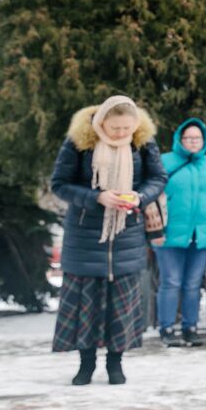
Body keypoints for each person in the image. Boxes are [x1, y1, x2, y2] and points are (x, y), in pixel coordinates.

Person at [50, 96, 167, 385]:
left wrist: (139, 197)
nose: (121, 133)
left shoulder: (142, 142)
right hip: (85, 236)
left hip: (127, 234)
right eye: (115, 128)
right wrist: (97, 197)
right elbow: (60, 184)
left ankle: (116, 363)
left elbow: (158, 178)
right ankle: (86, 364)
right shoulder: (79, 142)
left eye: (127, 128)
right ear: (101, 123)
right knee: (86, 306)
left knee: (121, 306)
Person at [157, 118, 206, 348]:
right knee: (171, 282)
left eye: (197, 138)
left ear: (204, 140)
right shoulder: (164, 161)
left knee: (193, 283)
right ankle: (167, 327)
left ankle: (190, 327)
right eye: (188, 138)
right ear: (180, 139)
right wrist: (153, 229)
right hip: (168, 234)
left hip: (203, 235)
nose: (192, 142)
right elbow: (152, 193)